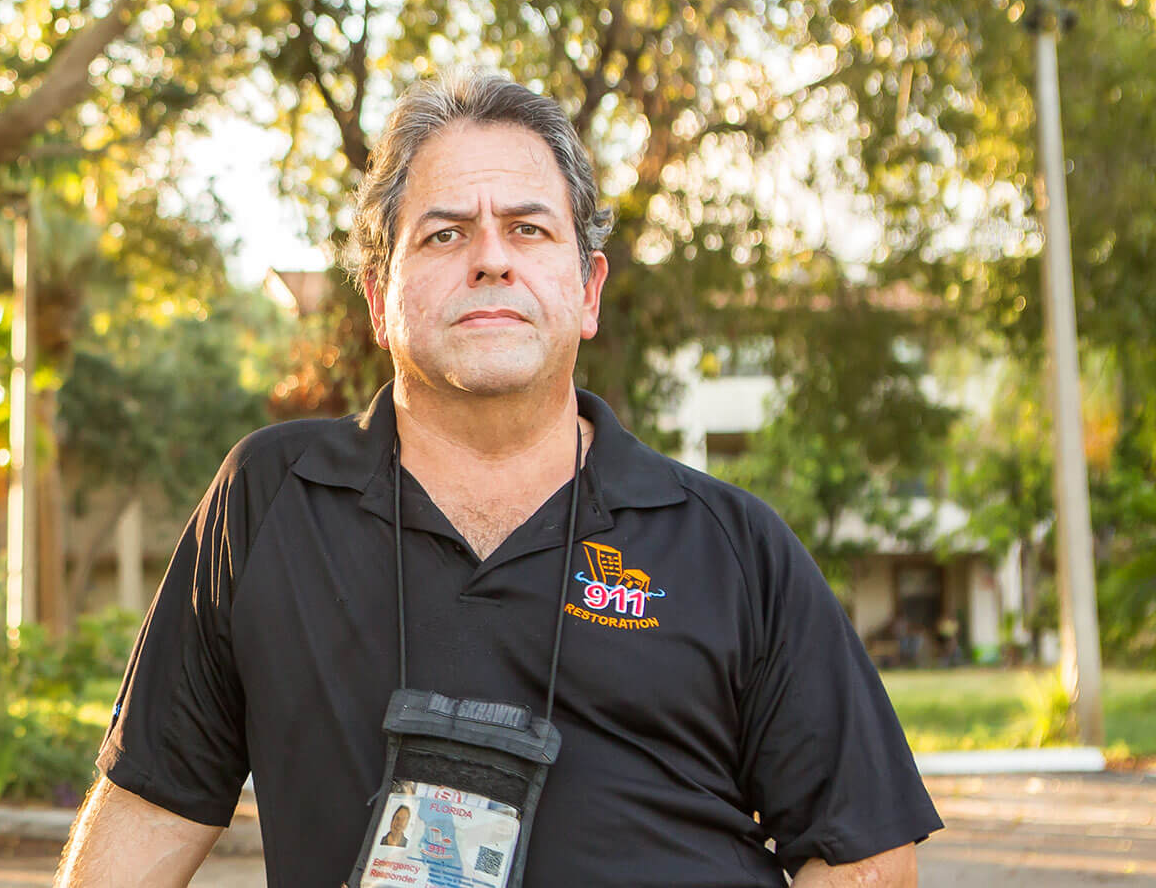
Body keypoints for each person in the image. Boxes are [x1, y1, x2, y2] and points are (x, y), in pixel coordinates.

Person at [54, 70, 942, 887]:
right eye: (444, 233)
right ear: (377, 299)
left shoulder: (732, 545)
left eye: (528, 228)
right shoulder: (270, 502)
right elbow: (143, 813)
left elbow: (863, 857)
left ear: (588, 291)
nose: (490, 257)